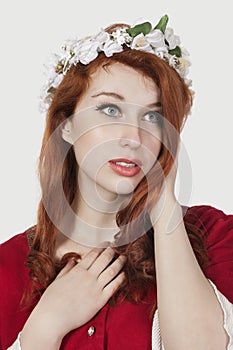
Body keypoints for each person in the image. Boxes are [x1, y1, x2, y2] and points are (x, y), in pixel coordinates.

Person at [0, 14, 233, 350]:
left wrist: (164, 202)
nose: (133, 137)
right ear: (66, 124)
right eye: (110, 109)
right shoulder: (7, 269)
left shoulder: (214, 236)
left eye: (153, 116)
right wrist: (44, 329)